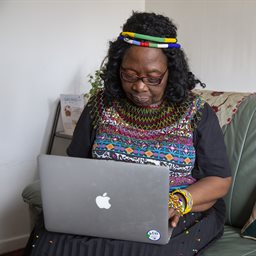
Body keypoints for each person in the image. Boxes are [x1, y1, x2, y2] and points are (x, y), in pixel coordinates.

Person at [24, 11, 232, 256]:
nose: (139, 86)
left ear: (171, 71)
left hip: (177, 210)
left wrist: (177, 201)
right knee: (49, 239)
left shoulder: (196, 112)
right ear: (117, 67)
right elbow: (76, 168)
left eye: (153, 78)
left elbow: (220, 181)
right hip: (106, 206)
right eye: (129, 75)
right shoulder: (100, 106)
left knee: (143, 248)